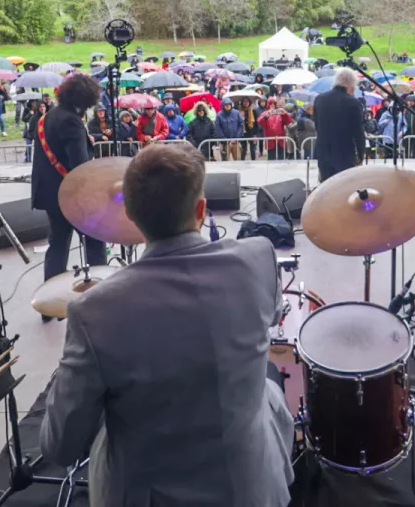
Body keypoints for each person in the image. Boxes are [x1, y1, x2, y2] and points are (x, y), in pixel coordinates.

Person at [40, 144, 294, 507]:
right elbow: (269, 317)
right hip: (251, 483)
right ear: (201, 209)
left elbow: (60, 447)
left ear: (129, 215)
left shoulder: (92, 312)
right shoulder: (259, 257)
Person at [31, 74, 108, 317]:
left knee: (58, 245)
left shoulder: (48, 117)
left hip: (49, 194)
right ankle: (101, 297)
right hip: (73, 196)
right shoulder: (72, 122)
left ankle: (48, 305)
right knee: (95, 241)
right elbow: (80, 167)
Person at [313, 67, 366, 180]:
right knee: (344, 189)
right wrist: (361, 154)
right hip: (344, 155)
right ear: (351, 85)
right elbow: (358, 132)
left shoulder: (319, 99)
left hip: (323, 153)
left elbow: (317, 125)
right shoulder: (353, 103)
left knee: (327, 188)